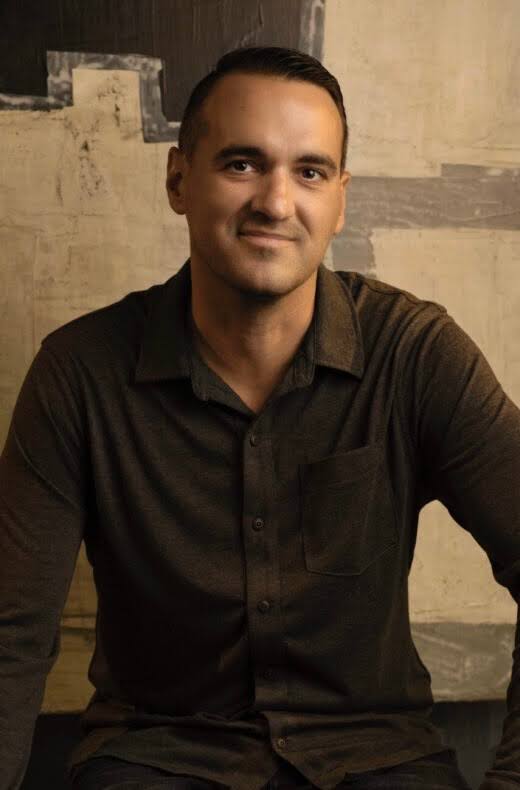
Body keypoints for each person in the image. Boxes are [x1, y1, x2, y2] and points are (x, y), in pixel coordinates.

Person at [0, 45, 519, 790]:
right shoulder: (80, 372)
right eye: (242, 164)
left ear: (340, 200)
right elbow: (11, 632)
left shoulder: (416, 353)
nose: (276, 203)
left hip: (376, 759)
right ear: (179, 180)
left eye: (309, 172)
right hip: (158, 757)